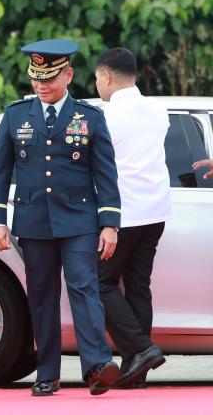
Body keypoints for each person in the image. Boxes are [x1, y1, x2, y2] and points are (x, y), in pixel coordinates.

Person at [0, 39, 122, 396]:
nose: (41, 85)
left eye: (49, 77)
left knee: (84, 288)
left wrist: (110, 224)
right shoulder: (16, 115)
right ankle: (47, 372)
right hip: (33, 222)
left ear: (68, 75)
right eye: (36, 78)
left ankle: (96, 366)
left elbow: (105, 173)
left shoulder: (88, 117)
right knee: (42, 295)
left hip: (79, 219)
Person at [95, 47, 169, 388]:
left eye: (96, 78)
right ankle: (135, 370)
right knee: (139, 285)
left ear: (106, 77)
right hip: (156, 212)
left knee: (99, 283)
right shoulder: (158, 110)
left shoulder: (105, 116)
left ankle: (141, 349)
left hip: (123, 213)